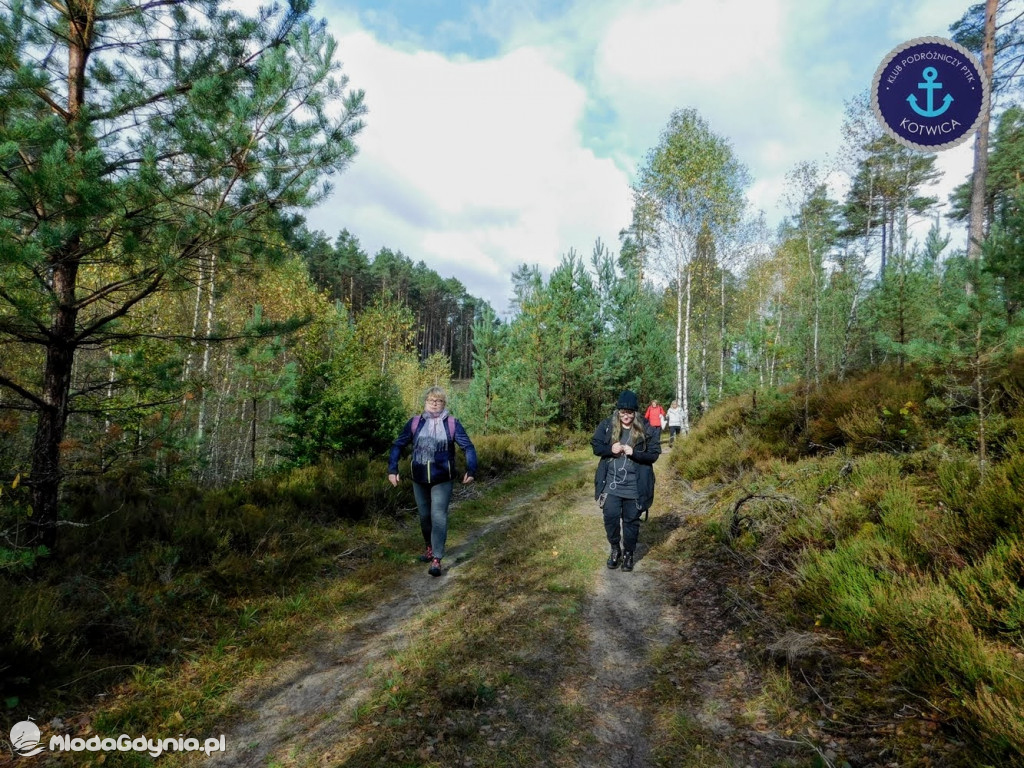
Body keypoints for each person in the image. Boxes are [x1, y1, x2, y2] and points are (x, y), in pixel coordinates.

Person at [388, 387, 477, 577]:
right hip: (418, 478)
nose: (435, 404)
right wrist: (392, 469)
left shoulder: (452, 423)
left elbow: (468, 446)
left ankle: (437, 558)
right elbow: (398, 445)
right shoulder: (414, 423)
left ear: (444, 404)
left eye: (439, 401)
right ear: (425, 402)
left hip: (442, 478)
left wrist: (471, 468)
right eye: (431, 400)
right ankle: (429, 548)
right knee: (424, 516)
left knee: (438, 516)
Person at [592, 390, 660, 572]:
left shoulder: (646, 428)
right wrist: (610, 449)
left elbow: (654, 454)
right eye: (623, 412)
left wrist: (635, 453)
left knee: (631, 523)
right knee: (611, 518)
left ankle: (629, 553)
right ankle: (615, 549)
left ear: (635, 412)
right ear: (618, 411)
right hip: (611, 485)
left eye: (630, 412)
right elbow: (596, 446)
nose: (626, 416)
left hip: (635, 486)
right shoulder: (607, 424)